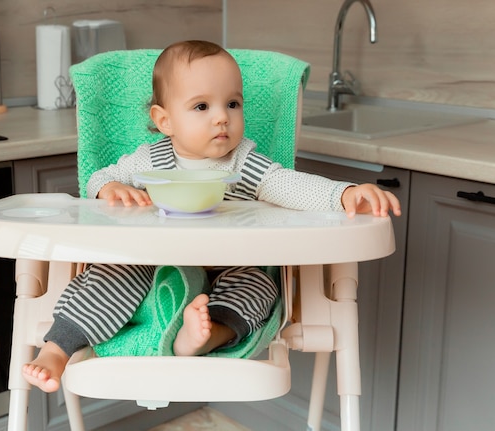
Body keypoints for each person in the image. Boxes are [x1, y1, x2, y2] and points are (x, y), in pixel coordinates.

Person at [23, 40, 401, 393]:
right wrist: (108, 189)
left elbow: (289, 185)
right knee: (108, 274)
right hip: (154, 266)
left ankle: (206, 333)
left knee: (259, 287)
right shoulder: (149, 160)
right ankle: (58, 349)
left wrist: (344, 193)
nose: (222, 117)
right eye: (202, 107)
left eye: (232, 104)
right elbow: (101, 177)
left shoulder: (243, 162)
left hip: (226, 266)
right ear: (165, 120)